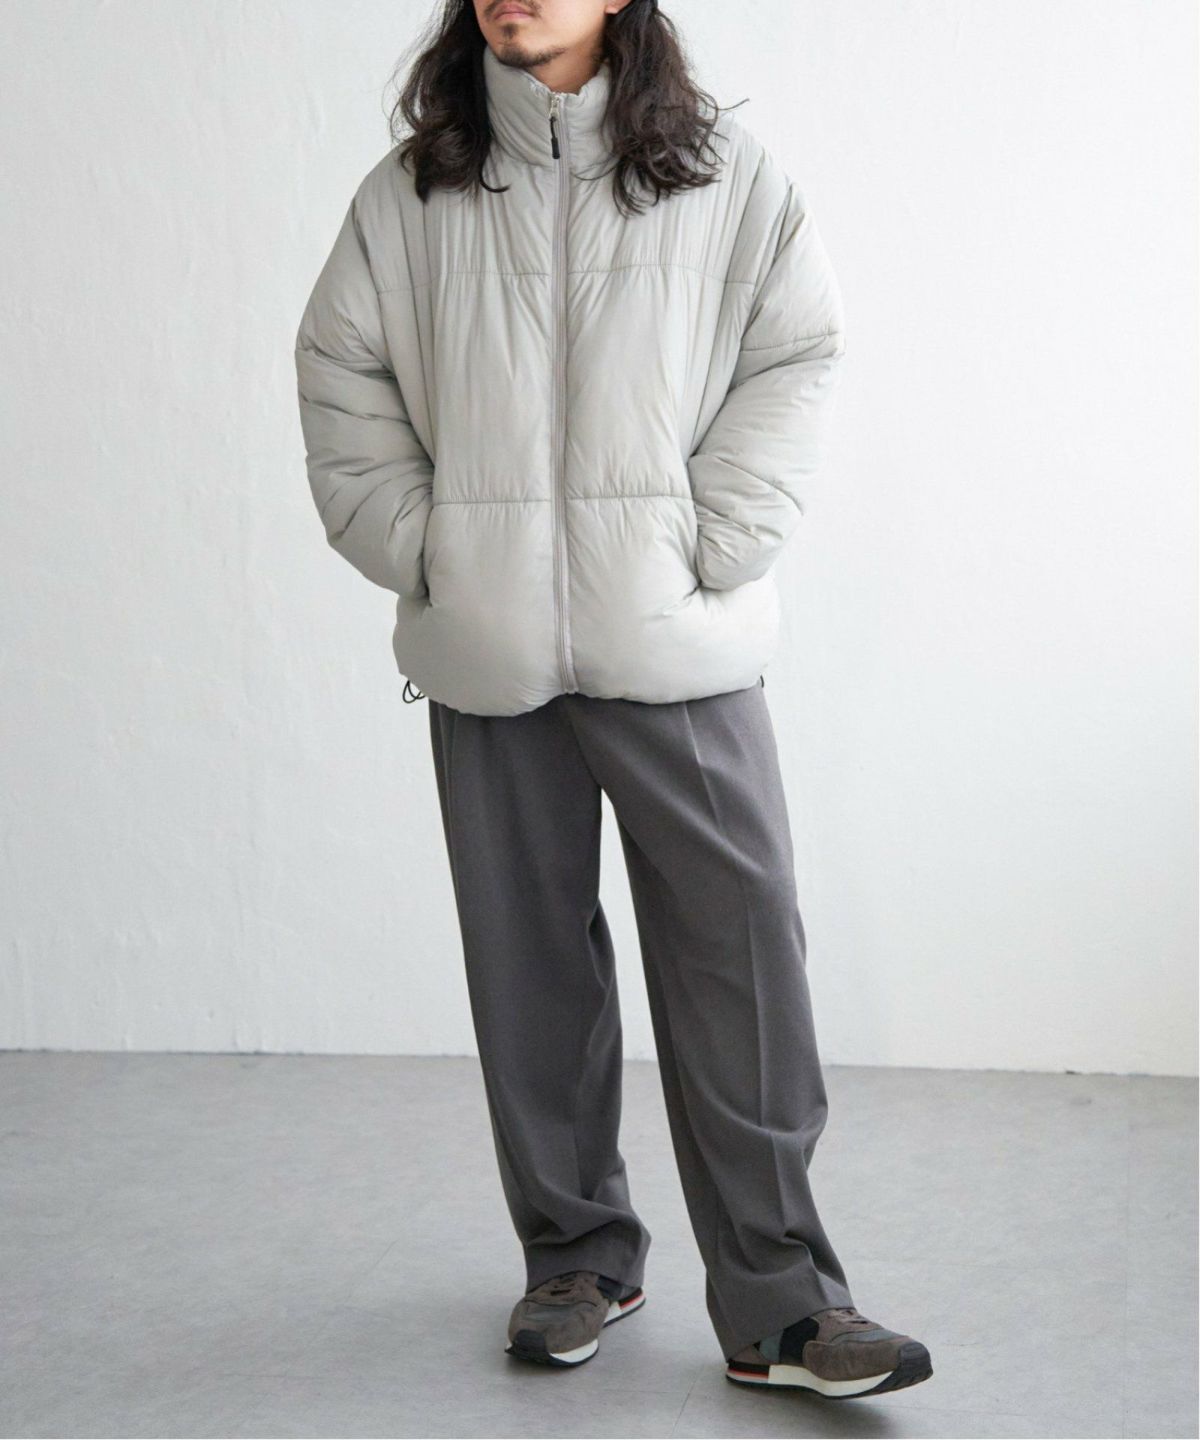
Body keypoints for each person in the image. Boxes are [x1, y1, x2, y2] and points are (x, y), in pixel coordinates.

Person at [294, 0, 932, 1400]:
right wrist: (432, 550)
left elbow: (796, 351)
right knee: (528, 966)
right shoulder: (414, 192)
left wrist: (718, 540)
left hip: (676, 642)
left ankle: (783, 1302)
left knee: (739, 957)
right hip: (490, 650)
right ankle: (575, 1258)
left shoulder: (722, 174)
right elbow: (339, 368)